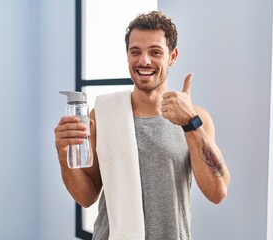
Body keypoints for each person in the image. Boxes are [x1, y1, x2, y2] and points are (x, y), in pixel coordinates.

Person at [54, 11, 230, 240]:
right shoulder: (103, 115)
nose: (144, 60)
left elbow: (217, 192)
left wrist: (190, 125)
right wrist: (63, 155)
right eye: (135, 52)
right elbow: (86, 197)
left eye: (155, 52)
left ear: (172, 56)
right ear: (127, 56)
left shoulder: (197, 119)